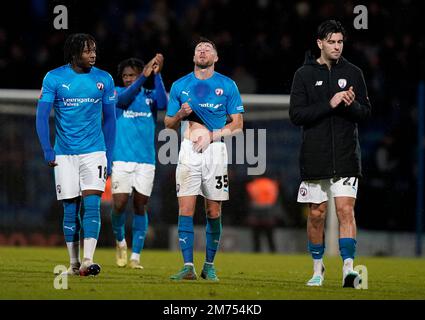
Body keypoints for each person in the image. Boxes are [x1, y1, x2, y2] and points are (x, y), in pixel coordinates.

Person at [289, 20, 371, 287]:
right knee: (316, 214)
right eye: (332, 42)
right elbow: (297, 115)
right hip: (315, 157)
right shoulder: (303, 74)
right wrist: (330, 103)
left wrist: (351, 104)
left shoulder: (354, 72)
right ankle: (317, 268)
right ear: (320, 43)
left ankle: (348, 268)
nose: (336, 47)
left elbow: (366, 112)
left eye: (340, 42)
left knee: (346, 210)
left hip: (347, 156)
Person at [35, 33, 116, 276]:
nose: (93, 54)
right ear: (73, 53)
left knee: (92, 205)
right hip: (65, 153)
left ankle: (87, 261)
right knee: (70, 209)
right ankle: (73, 263)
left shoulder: (105, 79)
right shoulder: (54, 78)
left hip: (94, 151)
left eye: (94, 49)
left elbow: (110, 120)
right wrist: (48, 149)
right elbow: (41, 116)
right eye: (87, 50)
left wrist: (109, 156)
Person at [164, 38, 244, 281]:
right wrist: (179, 114)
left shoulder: (227, 85)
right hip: (188, 150)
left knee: (213, 211)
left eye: (208, 48)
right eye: (199, 48)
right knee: (185, 208)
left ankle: (209, 266)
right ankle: (188, 266)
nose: (202, 50)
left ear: (216, 58)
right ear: (193, 57)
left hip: (215, 151)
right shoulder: (180, 85)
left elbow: (238, 125)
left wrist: (212, 135)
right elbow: (168, 124)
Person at [111, 54, 167, 269]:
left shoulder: (150, 96)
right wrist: (143, 77)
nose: (127, 79)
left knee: (140, 205)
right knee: (119, 204)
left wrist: (157, 74)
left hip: (145, 161)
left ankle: (135, 256)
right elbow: (124, 99)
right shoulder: (117, 92)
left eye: (131, 75)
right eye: (125, 75)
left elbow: (163, 103)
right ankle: (120, 241)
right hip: (121, 159)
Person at [245, 176, 280, 253]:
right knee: (270, 236)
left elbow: (250, 197)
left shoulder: (253, 184)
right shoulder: (272, 184)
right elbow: (275, 198)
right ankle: (273, 252)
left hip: (256, 210)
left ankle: (256, 252)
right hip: (268, 211)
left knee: (256, 236)